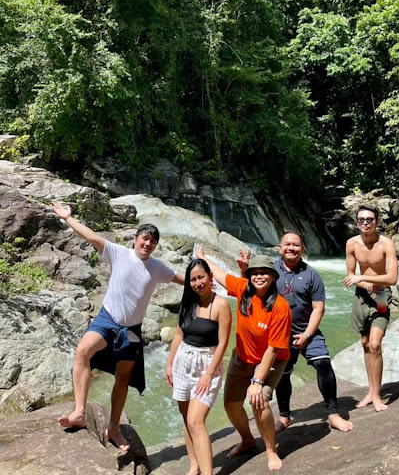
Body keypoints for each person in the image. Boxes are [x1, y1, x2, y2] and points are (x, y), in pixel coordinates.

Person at [51, 201, 184, 450]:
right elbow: (91, 236)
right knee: (83, 351)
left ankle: (113, 428)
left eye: (152, 241)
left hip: (131, 330)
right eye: (145, 239)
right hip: (108, 319)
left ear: (156, 246)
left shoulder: (157, 268)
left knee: (122, 380)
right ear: (135, 239)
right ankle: (79, 412)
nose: (148, 244)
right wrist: (67, 218)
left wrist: (206, 282)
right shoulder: (119, 253)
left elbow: (182, 279)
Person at [239, 232, 353, 435]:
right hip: (279, 335)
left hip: (307, 330)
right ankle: (284, 416)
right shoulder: (270, 270)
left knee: (323, 363)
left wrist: (307, 335)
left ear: (302, 249)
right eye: (287, 244)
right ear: (279, 248)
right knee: (283, 374)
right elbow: (250, 292)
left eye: (296, 245)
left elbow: (318, 308)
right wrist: (243, 270)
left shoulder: (311, 274)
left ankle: (333, 414)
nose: (291, 248)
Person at [196, 246, 291, 472]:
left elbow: (273, 349)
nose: (259, 276)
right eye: (254, 273)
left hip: (271, 360)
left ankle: (271, 449)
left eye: (264, 272)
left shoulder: (280, 307)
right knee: (231, 404)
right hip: (242, 357)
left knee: (259, 401)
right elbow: (219, 274)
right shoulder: (242, 289)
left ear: (273, 276)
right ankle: (248, 440)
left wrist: (257, 382)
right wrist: (202, 258)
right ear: (249, 276)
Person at [165, 258, 232, 475]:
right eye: (193, 280)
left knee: (196, 420)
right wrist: (169, 364)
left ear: (210, 277)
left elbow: (223, 343)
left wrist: (208, 374)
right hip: (183, 361)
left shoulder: (221, 305)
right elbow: (179, 334)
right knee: (186, 417)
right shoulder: (188, 302)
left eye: (201, 277)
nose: (197, 283)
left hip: (207, 364)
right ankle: (194, 465)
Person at [343, 205, 398, 412]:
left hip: (382, 296)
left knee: (375, 344)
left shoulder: (386, 244)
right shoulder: (352, 243)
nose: (365, 223)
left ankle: (377, 395)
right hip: (362, 295)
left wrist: (363, 278)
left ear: (377, 222)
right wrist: (365, 284)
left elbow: (392, 278)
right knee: (366, 343)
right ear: (357, 222)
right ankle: (371, 391)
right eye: (361, 220)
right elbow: (350, 275)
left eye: (369, 219)